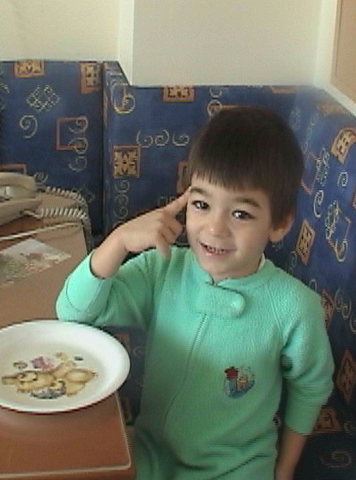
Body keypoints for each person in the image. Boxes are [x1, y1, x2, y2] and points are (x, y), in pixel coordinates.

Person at [56, 106, 334, 480]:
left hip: (237, 469)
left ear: (280, 224)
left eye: (240, 214)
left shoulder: (295, 306)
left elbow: (311, 387)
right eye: (201, 205)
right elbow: (73, 312)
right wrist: (118, 241)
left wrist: (284, 470)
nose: (214, 229)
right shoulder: (161, 268)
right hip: (150, 454)